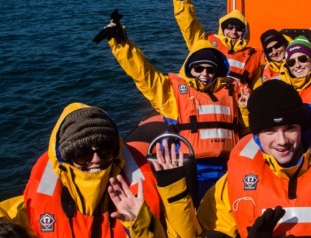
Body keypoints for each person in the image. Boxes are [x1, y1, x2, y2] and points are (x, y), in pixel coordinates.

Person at [194, 80, 311, 237]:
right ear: (256, 134)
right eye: (270, 131)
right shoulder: (233, 181)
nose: (282, 142)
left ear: (302, 128)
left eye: (290, 128)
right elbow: (212, 231)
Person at [94, 11, 246, 199]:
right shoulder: (173, 94)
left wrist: (246, 109)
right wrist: (121, 44)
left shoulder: (232, 90)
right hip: (191, 169)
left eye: (210, 69)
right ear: (189, 68)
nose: (204, 74)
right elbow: (144, 75)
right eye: (198, 68)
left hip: (228, 167)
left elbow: (244, 127)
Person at [0, 103, 189, 237]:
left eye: (105, 150)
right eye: (82, 155)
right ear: (65, 158)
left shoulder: (139, 194)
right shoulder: (45, 192)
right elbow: (14, 211)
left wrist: (140, 222)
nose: (96, 160)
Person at [164, 0, 263, 89]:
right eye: (229, 27)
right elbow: (188, 23)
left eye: (238, 28)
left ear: (244, 32)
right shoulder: (206, 42)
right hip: (202, 97)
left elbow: (258, 88)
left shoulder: (254, 55)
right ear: (222, 28)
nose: (233, 32)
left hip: (233, 105)